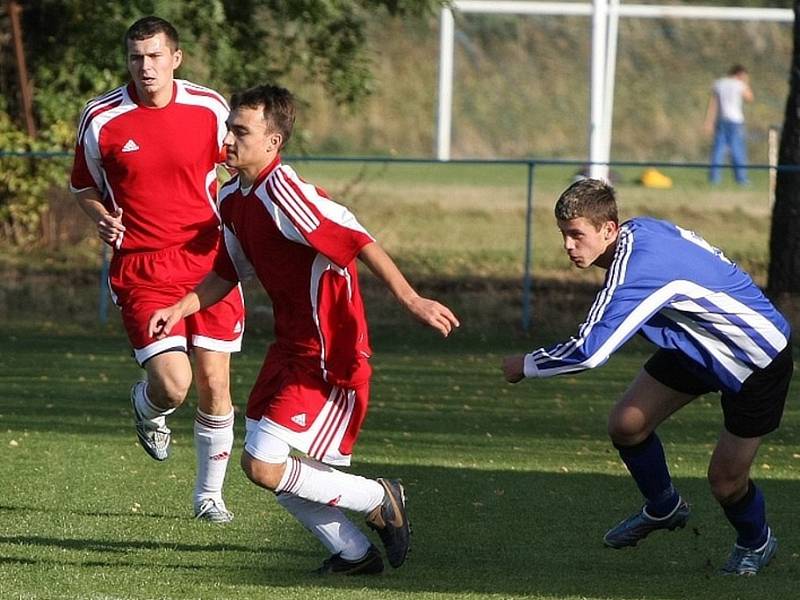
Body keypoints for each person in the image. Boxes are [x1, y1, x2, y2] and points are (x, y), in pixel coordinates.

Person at [148, 84, 460, 575]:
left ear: (272, 142)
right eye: (229, 127)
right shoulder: (233, 197)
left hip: (327, 349)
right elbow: (229, 271)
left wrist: (410, 298)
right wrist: (181, 307)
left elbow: (358, 240)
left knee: (263, 464)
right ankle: (353, 554)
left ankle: (380, 497)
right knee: (267, 466)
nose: (227, 139)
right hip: (289, 348)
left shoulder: (285, 191)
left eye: (241, 131)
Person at [502, 178, 791, 576]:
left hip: (756, 356)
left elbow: (591, 350)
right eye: (563, 235)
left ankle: (756, 541)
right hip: (696, 344)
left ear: (608, 229)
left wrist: (527, 364)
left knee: (725, 482)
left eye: (576, 235)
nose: (568, 246)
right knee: (627, 424)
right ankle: (663, 506)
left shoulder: (637, 266)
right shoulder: (640, 234)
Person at [70, 16, 244, 522]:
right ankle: (148, 407)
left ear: (176, 58)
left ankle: (209, 496)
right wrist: (102, 219)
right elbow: (84, 187)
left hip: (209, 259)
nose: (145, 67)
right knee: (174, 383)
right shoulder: (102, 118)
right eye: (135, 57)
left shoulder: (210, 108)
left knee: (215, 380)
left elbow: (238, 168)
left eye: (154, 56)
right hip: (142, 266)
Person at [704, 64, 754, 186]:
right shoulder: (739, 84)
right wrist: (746, 83)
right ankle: (741, 179)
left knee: (718, 150)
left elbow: (713, 104)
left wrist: (709, 121)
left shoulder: (719, 83)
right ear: (740, 74)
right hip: (735, 121)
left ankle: (714, 178)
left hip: (721, 120)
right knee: (737, 150)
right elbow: (749, 98)